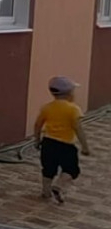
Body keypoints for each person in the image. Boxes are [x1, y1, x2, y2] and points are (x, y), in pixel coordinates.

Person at [34, 76, 90, 204]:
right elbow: (78, 128)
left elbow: (38, 125)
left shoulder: (47, 108)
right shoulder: (73, 109)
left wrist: (37, 140)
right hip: (66, 145)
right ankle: (58, 186)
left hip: (48, 143)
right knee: (71, 170)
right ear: (70, 93)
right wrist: (85, 146)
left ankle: (46, 191)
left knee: (48, 169)